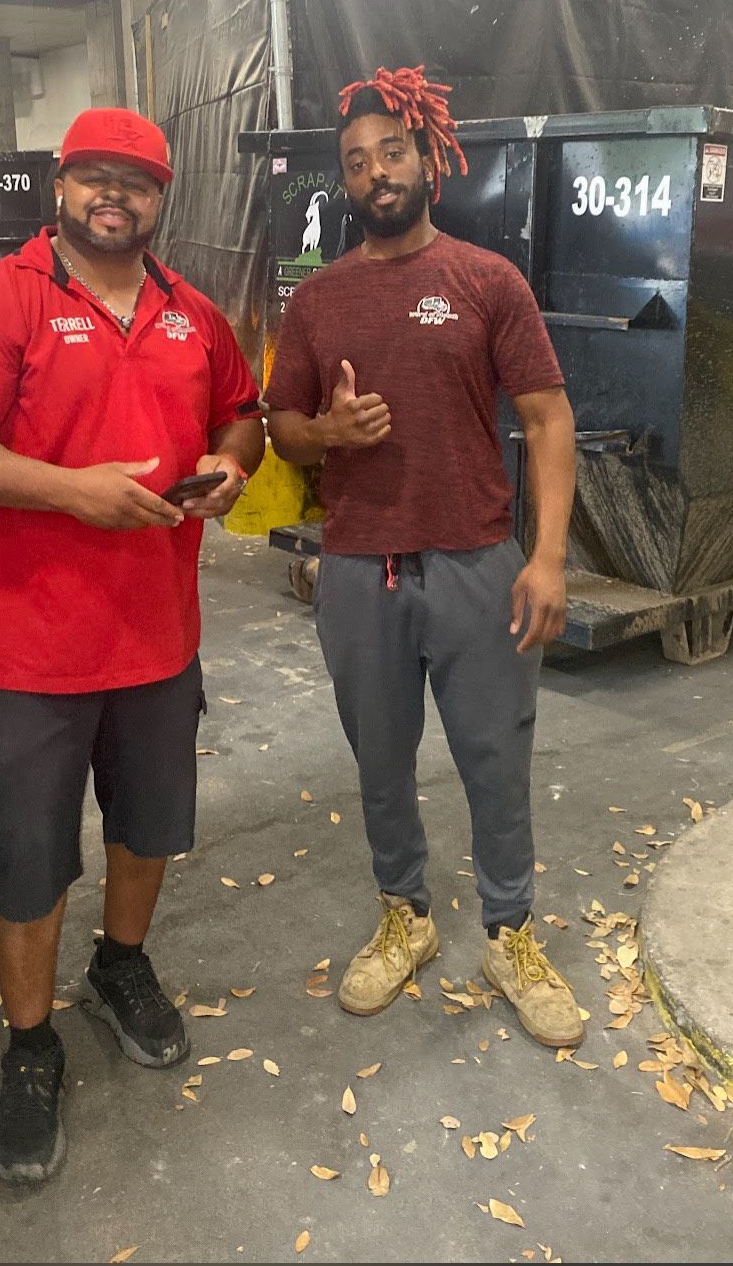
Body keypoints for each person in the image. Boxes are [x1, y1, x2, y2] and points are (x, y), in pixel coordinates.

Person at [0, 107, 264, 1185]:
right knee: (26, 854)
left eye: (136, 181)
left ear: (161, 198)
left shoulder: (193, 314)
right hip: (25, 648)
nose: (115, 195)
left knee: (148, 825)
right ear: (58, 185)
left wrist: (231, 466)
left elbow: (242, 412)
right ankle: (30, 1044)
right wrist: (68, 493)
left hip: (157, 637)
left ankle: (121, 966)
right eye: (95, 175)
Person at [265, 66, 583, 1048]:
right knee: (381, 760)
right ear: (346, 181)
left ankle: (510, 933)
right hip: (360, 568)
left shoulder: (488, 282)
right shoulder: (319, 299)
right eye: (357, 162)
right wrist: (329, 431)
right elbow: (281, 428)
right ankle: (405, 915)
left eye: (391, 152)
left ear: (429, 160)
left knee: (496, 757)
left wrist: (549, 560)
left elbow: (548, 417)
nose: (376, 173)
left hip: (477, 561)